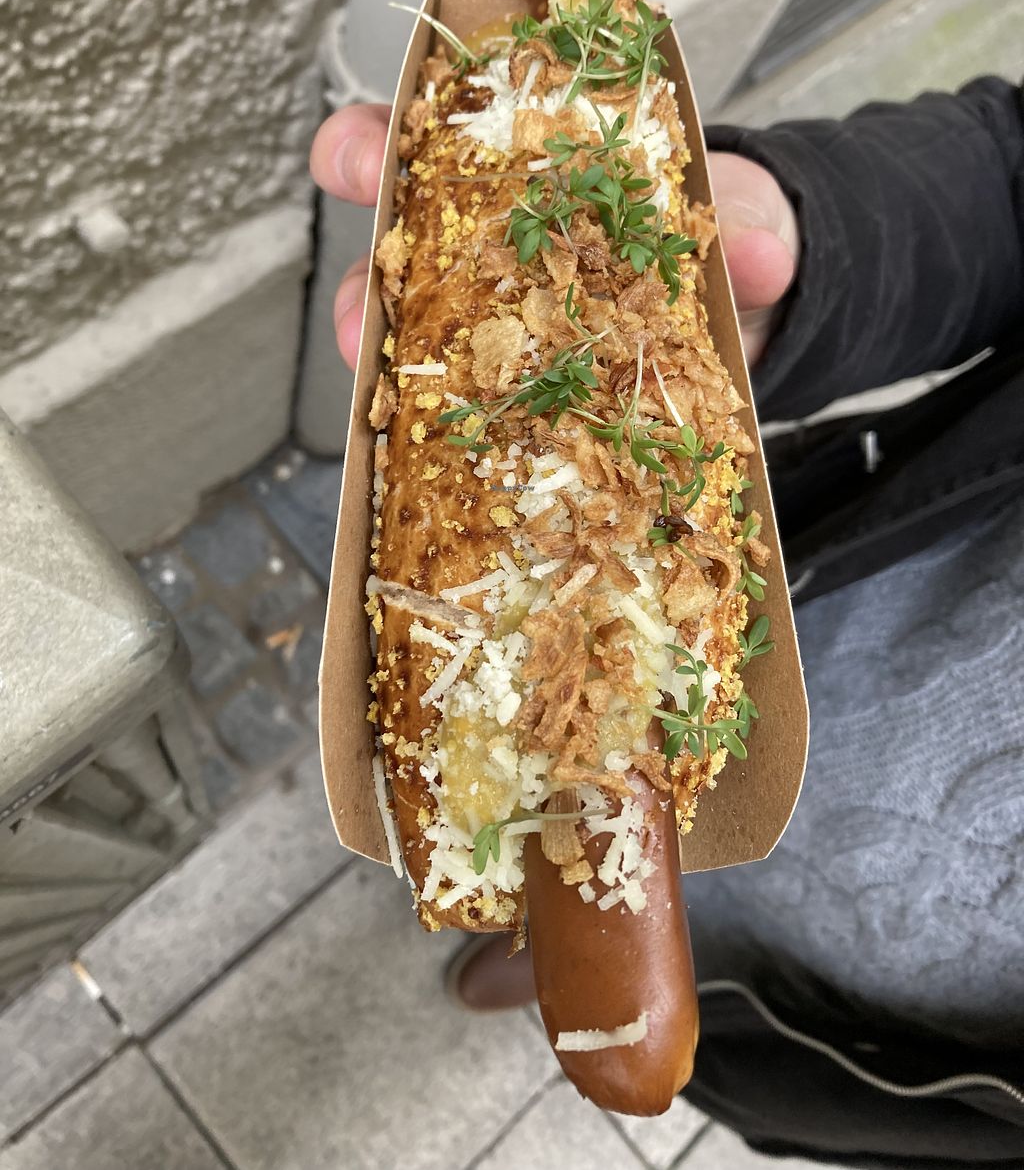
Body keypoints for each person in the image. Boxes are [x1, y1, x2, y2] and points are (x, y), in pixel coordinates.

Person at [310, 75, 1024, 1168]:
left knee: (671, 1016)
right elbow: (1010, 177)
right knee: (569, 864)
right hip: (797, 624)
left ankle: (601, 961)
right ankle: (550, 933)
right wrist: (813, 252)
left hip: (858, 1042)